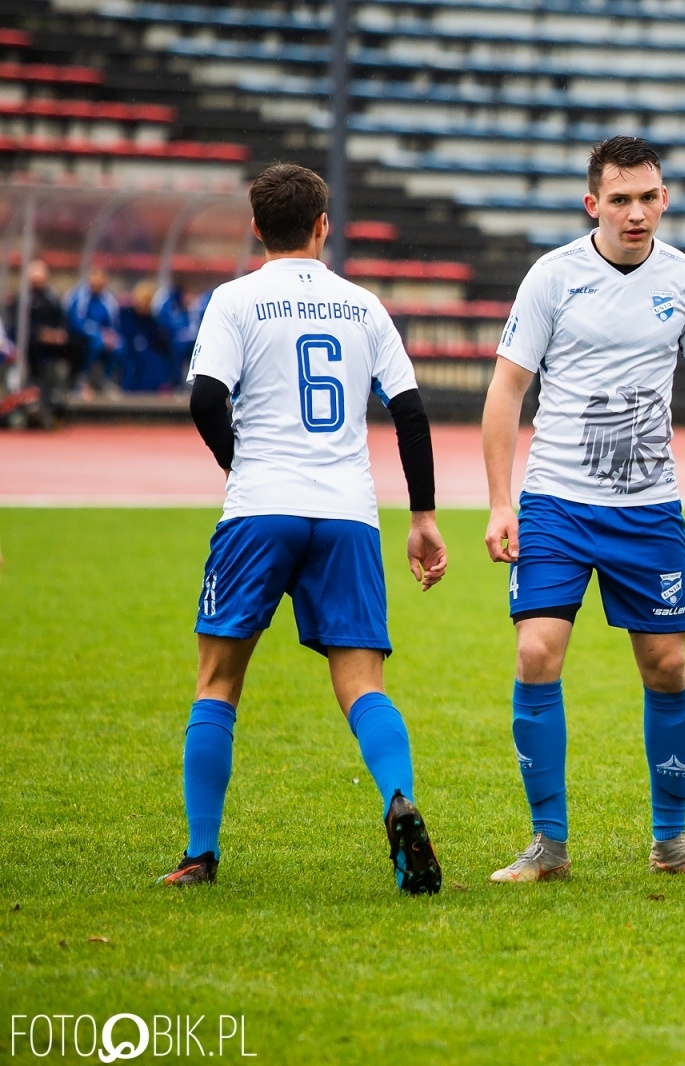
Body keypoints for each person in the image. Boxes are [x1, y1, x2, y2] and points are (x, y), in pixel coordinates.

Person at [164, 163, 449, 894]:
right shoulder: (363, 306)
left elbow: (204, 398)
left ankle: (201, 854)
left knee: (217, 680)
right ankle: (397, 802)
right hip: (348, 514)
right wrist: (422, 516)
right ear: (324, 226)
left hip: (262, 506)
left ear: (257, 227)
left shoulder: (234, 300)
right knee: (362, 684)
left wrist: (240, 462)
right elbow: (411, 412)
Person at [482, 136, 685, 884]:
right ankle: (548, 845)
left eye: (649, 197)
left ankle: (671, 844)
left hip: (648, 509)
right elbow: (506, 391)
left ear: (665, 199)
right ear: (592, 203)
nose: (637, 212)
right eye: (621, 199)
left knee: (666, 666)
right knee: (536, 653)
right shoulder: (552, 277)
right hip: (558, 502)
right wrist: (502, 501)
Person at [22, 260, 77, 421]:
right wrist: (41, 334)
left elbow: (62, 319)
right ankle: (37, 392)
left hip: (52, 343)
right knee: (36, 353)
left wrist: (59, 333)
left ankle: (71, 384)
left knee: (77, 345)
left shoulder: (52, 297)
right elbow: (21, 327)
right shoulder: (25, 299)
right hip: (33, 343)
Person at [65, 265, 123, 398]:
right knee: (96, 343)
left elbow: (113, 324)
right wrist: (97, 333)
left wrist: (111, 336)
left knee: (119, 345)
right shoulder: (79, 296)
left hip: (102, 336)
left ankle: (107, 381)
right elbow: (76, 322)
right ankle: (83, 379)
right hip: (79, 335)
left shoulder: (108, 300)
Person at [118, 280, 174, 392]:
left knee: (154, 361)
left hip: (148, 354)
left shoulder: (153, 322)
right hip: (130, 353)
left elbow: (162, 343)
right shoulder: (126, 317)